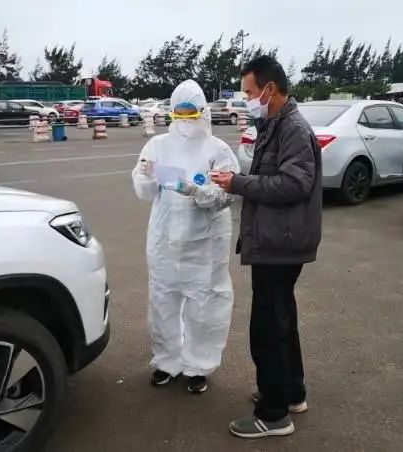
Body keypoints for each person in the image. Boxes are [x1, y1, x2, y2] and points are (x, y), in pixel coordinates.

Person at [211, 56, 322, 438]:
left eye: (249, 92)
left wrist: (238, 183)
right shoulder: (274, 124)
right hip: (278, 238)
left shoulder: (292, 128)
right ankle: (291, 392)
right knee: (281, 318)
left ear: (269, 89)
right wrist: (240, 179)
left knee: (267, 328)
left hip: (281, 241)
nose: (246, 100)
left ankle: (274, 415)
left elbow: (294, 184)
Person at [132, 79, 239, 394]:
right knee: (163, 301)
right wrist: (147, 175)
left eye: (190, 115)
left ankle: (198, 367)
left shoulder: (217, 150)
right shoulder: (157, 146)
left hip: (205, 243)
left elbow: (225, 195)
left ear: (203, 113)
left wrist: (194, 190)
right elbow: (143, 189)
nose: (185, 122)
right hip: (165, 238)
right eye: (179, 115)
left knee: (205, 306)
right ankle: (167, 362)